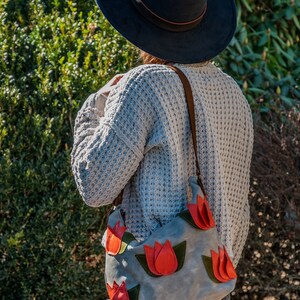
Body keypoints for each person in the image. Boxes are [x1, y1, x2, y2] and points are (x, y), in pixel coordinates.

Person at [71, 0, 253, 292]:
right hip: (210, 288)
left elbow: (94, 186)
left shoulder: (144, 84)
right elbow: (239, 211)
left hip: (153, 287)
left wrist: (95, 107)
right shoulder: (233, 94)